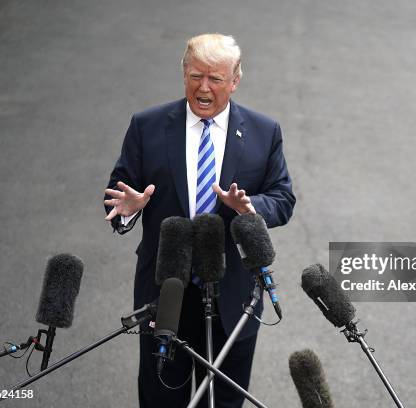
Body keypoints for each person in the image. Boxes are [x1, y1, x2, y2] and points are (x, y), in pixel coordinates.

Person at [103, 33, 295, 408]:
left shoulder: (263, 132)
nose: (203, 87)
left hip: (233, 301)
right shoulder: (148, 126)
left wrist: (249, 207)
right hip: (165, 296)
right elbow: (117, 194)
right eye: (195, 76)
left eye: (215, 78)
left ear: (235, 81)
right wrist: (129, 208)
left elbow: (283, 199)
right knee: (162, 400)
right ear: (183, 74)